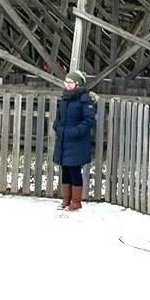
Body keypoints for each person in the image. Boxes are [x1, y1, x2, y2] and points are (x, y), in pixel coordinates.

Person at [53, 69, 97, 211]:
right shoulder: (65, 98)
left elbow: (89, 120)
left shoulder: (84, 99)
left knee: (74, 171)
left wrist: (75, 131)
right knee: (65, 170)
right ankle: (66, 200)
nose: (67, 84)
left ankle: (76, 202)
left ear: (77, 84)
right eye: (66, 82)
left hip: (77, 142)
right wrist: (57, 127)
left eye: (70, 82)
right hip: (64, 140)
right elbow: (58, 118)